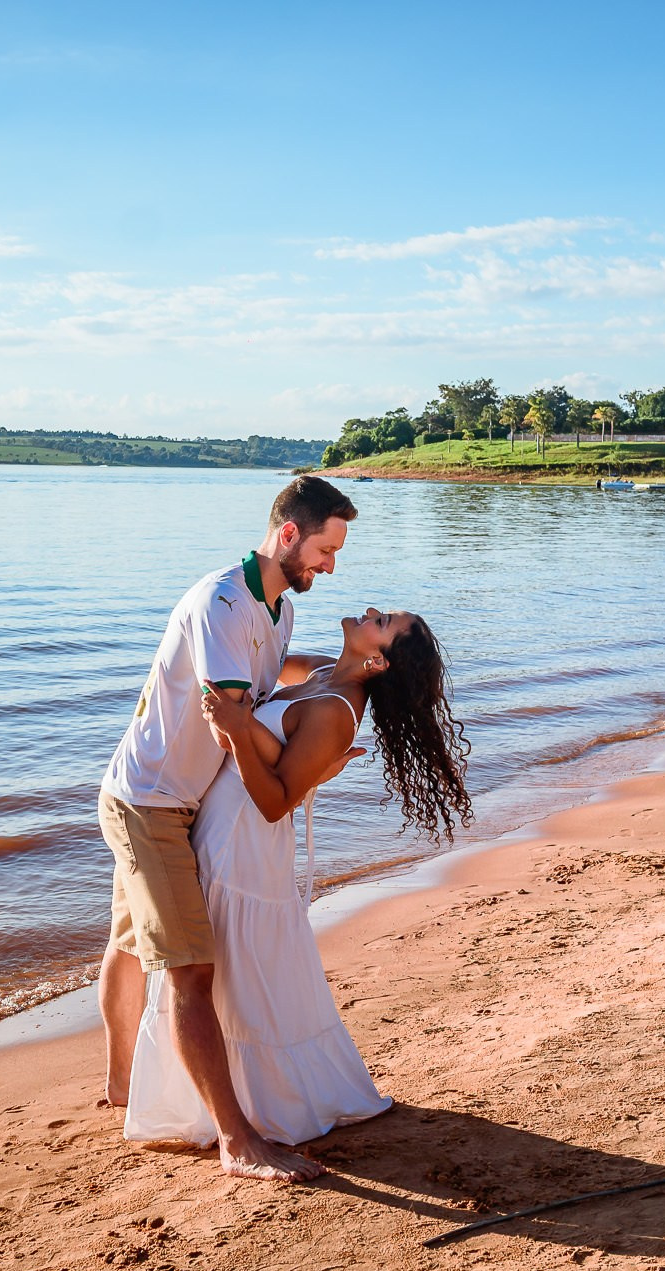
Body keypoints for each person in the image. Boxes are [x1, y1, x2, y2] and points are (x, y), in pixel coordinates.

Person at [121, 608, 472, 1155]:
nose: (372, 612)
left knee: (227, 974)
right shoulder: (324, 675)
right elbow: (260, 666)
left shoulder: (337, 710)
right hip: (220, 823)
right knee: (235, 975)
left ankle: (251, 1109)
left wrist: (240, 734)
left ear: (378, 658)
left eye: (384, 622)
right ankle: (230, 1098)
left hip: (241, 841)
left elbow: (274, 802)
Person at [96, 474, 357, 1183]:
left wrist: (337, 695)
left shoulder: (278, 613)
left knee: (132, 942)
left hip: (182, 797)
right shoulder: (223, 600)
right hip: (148, 799)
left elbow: (262, 701)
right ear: (288, 534)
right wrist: (308, 755)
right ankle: (235, 1139)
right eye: (326, 549)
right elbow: (232, 717)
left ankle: (124, 1083)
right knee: (190, 969)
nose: (330, 566)